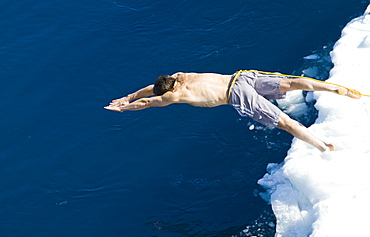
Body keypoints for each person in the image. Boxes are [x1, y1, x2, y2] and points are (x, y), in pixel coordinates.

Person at [104, 70, 361, 152]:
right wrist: (129, 94)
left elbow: (149, 100)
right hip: (241, 76)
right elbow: (152, 87)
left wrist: (126, 107)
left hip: (236, 94)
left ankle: (323, 146)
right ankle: (336, 88)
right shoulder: (182, 76)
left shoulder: (174, 95)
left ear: (168, 91)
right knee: (292, 83)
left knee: (285, 122)